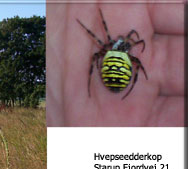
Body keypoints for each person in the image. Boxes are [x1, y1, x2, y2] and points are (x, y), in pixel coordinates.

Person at [46, 3, 184, 127]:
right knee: (135, 63)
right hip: (118, 69)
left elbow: (97, 40)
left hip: (111, 64)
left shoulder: (106, 48)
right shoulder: (128, 51)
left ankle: (95, 83)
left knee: (99, 47)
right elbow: (138, 51)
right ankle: (126, 88)